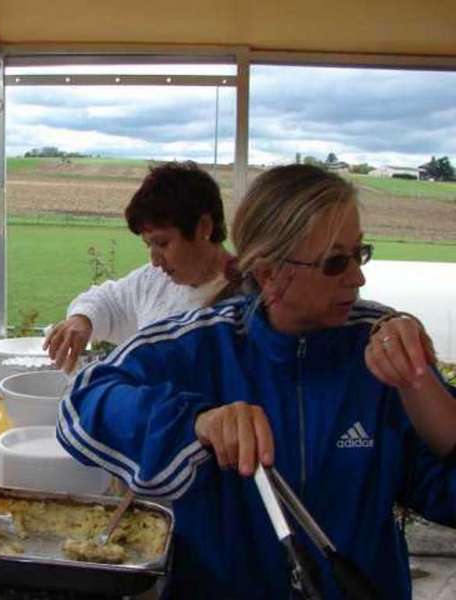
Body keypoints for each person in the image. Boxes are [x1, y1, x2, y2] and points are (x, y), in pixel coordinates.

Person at [58, 164, 456, 599]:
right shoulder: (201, 344)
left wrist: (421, 385)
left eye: (358, 254)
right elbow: (83, 402)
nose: (357, 278)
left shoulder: (379, 350)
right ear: (268, 274)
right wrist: (196, 423)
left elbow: (440, 489)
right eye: (334, 262)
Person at [43, 161, 232, 372]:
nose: (155, 260)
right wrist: (82, 319)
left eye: (162, 243)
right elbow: (107, 301)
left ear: (204, 227)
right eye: (148, 244)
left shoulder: (248, 300)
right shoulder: (153, 281)